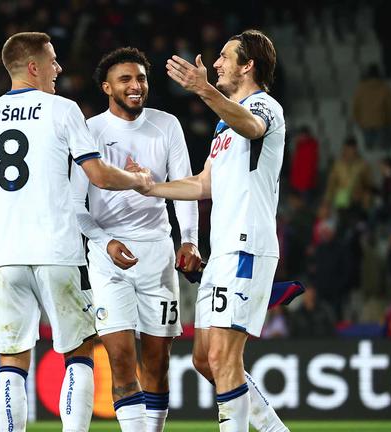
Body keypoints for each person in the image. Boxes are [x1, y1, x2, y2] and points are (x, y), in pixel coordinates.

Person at [0, 32, 153, 432]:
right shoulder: (62, 109)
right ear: (33, 67)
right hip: (54, 247)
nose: (58, 68)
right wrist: (138, 180)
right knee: (78, 352)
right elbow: (99, 176)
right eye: (52, 61)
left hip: (3, 252)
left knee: (12, 359)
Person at [133, 29, 289, 432]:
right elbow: (204, 184)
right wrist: (152, 187)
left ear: (248, 64)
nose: (216, 63)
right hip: (221, 252)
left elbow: (253, 128)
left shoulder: (264, 107)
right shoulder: (223, 127)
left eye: (224, 56)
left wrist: (204, 91)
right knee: (205, 359)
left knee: (223, 359)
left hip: (247, 245)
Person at [70, 47, 201, 432]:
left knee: (157, 364)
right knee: (122, 361)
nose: (135, 85)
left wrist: (189, 240)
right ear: (106, 86)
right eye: (125, 79)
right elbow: (76, 205)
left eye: (141, 78)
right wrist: (104, 242)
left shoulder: (167, 125)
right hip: (109, 258)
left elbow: (185, 187)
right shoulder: (90, 131)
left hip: (157, 255)